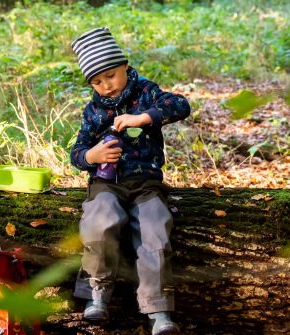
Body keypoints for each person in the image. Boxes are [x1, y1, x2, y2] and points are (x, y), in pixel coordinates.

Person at [69, 27, 190, 335]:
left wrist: (144, 118)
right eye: (97, 81)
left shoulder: (146, 92)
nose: (105, 86)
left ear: (124, 66)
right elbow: (77, 152)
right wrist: (92, 156)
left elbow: (179, 106)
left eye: (110, 75)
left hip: (146, 183)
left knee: (154, 229)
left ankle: (158, 309)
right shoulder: (94, 111)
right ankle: (96, 294)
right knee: (100, 222)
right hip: (106, 184)